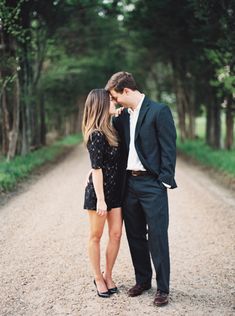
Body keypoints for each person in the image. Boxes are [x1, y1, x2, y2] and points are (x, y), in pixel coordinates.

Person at [105, 71, 177, 307]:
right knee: (135, 235)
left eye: (115, 97)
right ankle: (143, 281)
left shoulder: (159, 111)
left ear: (126, 91)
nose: (115, 101)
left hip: (152, 184)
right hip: (129, 185)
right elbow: (110, 145)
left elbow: (168, 148)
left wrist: (164, 181)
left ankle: (163, 288)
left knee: (157, 236)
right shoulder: (122, 117)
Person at [82, 89, 123, 298]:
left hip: (115, 191)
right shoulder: (96, 134)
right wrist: (100, 199)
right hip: (100, 195)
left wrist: (121, 111)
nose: (113, 101)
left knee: (116, 234)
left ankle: (109, 274)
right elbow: (97, 168)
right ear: (100, 105)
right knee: (96, 236)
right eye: (110, 100)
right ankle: (98, 277)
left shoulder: (111, 130)